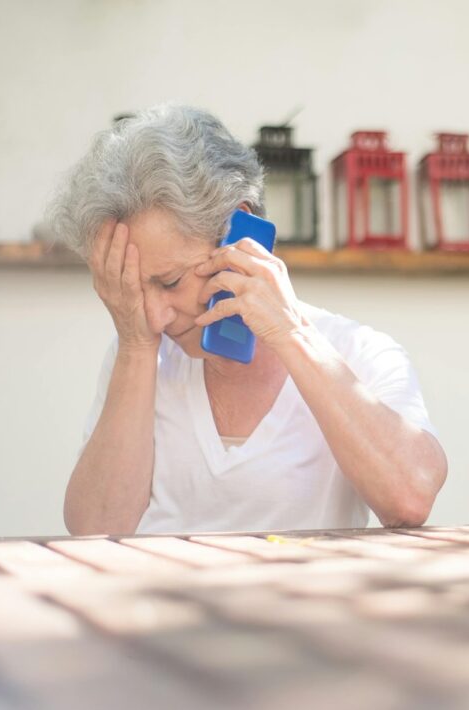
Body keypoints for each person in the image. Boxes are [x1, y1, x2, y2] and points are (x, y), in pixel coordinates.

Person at [47, 104, 447, 535]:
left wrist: (290, 334)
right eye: (135, 290)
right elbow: (94, 531)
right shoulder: (139, 348)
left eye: (171, 281)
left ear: (242, 232)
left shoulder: (360, 352)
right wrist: (136, 347)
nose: (157, 317)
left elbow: (411, 497)